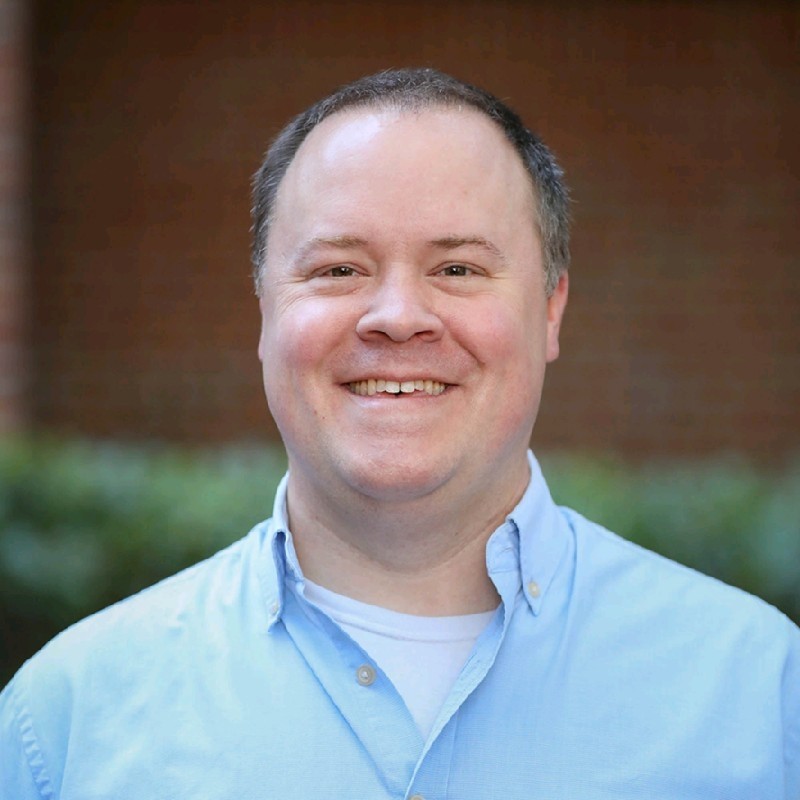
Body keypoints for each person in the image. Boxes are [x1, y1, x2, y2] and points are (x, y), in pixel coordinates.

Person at [2, 68, 798, 799]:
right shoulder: (66, 722)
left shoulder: (762, 695)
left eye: (457, 269)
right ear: (264, 310)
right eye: (338, 269)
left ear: (551, 309)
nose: (397, 318)